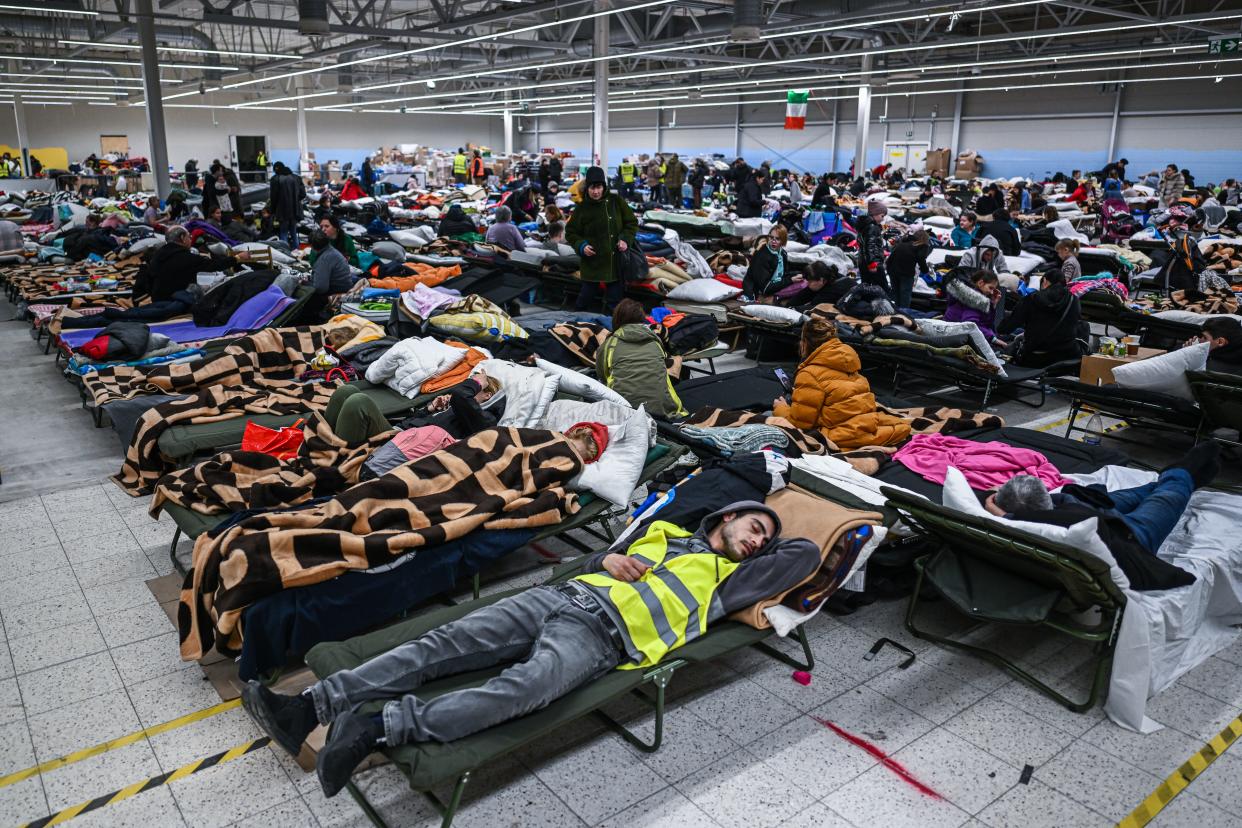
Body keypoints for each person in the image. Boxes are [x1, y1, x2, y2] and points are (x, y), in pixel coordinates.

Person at [242, 497, 817, 797]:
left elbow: (805, 556)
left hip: (601, 639)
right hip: (560, 597)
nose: (757, 539)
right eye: (753, 527)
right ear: (729, 516)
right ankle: (309, 707)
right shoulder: (663, 533)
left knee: (528, 688)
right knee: (440, 643)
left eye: (763, 538)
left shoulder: (729, 582)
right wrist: (605, 559)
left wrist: (773, 531)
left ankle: (377, 725)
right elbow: (595, 560)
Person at [983, 443, 1219, 589]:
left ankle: (1169, 477)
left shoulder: (1035, 517)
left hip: (1091, 511)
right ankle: (1182, 474)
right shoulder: (1061, 522)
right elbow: (1045, 517)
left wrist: (998, 510)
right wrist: (1006, 514)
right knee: (1166, 498)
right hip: (1128, 535)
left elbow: (1024, 512)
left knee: (1139, 493)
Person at [772, 318, 911, 449]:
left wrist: (780, 409)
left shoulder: (809, 374)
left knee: (770, 418)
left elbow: (800, 424)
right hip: (866, 426)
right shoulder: (849, 361)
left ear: (805, 343)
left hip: (839, 435)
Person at [596, 299, 685, 418]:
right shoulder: (655, 340)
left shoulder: (610, 344)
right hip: (662, 409)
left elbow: (602, 376)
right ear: (642, 318)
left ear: (617, 318)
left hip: (623, 410)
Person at [566, 165, 637, 312]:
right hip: (593, 263)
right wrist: (581, 246)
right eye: (592, 188)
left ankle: (615, 332)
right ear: (587, 189)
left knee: (614, 304)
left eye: (599, 187)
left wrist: (625, 239)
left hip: (614, 263)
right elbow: (571, 232)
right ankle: (574, 329)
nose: (596, 191)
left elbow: (631, 223)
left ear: (604, 187)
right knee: (583, 302)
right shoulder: (582, 208)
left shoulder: (616, 202)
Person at [997, 266, 1083, 368]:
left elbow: (1004, 328)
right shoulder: (1074, 300)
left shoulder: (1032, 299)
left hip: (1035, 359)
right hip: (1066, 358)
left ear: (1045, 281)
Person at [145, 225, 249, 302]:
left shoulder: (157, 255)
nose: (190, 240)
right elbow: (214, 265)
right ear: (182, 238)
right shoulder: (184, 257)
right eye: (189, 237)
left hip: (157, 300)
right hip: (176, 301)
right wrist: (237, 258)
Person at [944, 269, 1004, 342]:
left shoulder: (974, 297)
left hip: (956, 334)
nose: (992, 292)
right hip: (955, 338)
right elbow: (971, 326)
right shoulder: (974, 300)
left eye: (993, 289)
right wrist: (993, 339)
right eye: (990, 288)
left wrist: (993, 304)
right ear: (980, 283)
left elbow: (985, 323)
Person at [742, 225, 794, 299]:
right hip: (759, 291)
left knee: (803, 283)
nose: (773, 241)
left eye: (777, 239)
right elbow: (765, 288)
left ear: (783, 240)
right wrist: (790, 280)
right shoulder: (762, 256)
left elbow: (784, 274)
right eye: (771, 237)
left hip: (775, 284)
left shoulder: (783, 253)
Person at [885, 228, 930, 309]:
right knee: (905, 297)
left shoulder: (902, 243)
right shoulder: (922, 246)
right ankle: (904, 316)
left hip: (892, 271)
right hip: (906, 273)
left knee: (896, 296)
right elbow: (921, 258)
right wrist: (925, 270)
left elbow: (890, 257)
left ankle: (896, 314)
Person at [269, 161, 306, 250]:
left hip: (282, 211)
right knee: (294, 232)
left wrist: (272, 210)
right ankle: (296, 252)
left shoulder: (275, 179)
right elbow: (303, 194)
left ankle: (285, 252)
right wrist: (295, 201)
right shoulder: (297, 178)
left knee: (283, 232)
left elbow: (273, 197)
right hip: (295, 210)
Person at [854, 202, 888, 292]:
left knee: (867, 287)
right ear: (875, 214)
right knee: (882, 289)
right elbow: (870, 246)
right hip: (873, 263)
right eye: (882, 216)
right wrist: (872, 264)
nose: (883, 219)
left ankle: (868, 304)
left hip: (863, 261)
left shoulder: (864, 224)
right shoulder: (872, 227)